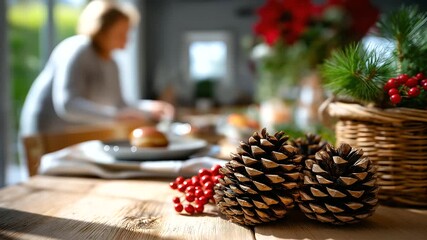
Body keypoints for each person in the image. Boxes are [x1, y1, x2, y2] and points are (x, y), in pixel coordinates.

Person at [19, 0, 174, 137]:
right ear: (102, 28)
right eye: (121, 32)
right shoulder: (78, 49)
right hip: (48, 133)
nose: (127, 38)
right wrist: (116, 117)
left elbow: (120, 105)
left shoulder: (112, 63)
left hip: (76, 133)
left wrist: (150, 108)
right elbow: (68, 105)